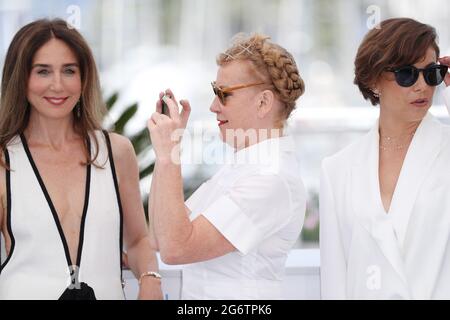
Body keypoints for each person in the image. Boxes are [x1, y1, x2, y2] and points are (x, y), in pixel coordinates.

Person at [0, 19, 163, 300]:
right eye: (42, 71)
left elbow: (137, 240)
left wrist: (150, 281)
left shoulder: (116, 152)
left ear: (83, 78)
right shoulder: (3, 159)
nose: (57, 85)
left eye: (69, 71)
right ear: (21, 78)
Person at [147, 33, 306, 299]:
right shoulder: (241, 169)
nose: (213, 106)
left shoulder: (271, 179)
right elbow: (159, 237)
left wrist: (168, 154)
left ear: (264, 102)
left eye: (224, 94)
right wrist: (168, 149)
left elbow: (176, 249)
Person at [320, 18, 450, 299]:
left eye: (432, 73)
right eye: (406, 74)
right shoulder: (337, 169)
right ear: (373, 80)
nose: (422, 86)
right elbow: (334, 281)